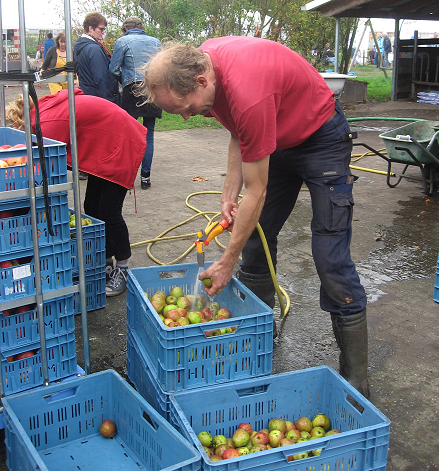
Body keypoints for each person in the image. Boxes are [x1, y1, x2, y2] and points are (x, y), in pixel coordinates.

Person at [143, 37, 370, 398]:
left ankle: (357, 376)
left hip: (320, 136)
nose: (187, 116)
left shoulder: (249, 92)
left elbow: (258, 189)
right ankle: (263, 331)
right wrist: (229, 191)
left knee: (330, 258)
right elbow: (238, 130)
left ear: (202, 80)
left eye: (187, 108)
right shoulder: (204, 64)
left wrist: (225, 261)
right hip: (275, 135)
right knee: (254, 233)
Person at [5, 89, 146, 297]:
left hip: (120, 142)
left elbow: (50, 164)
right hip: (102, 144)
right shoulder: (41, 113)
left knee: (109, 212)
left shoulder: (44, 125)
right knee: (91, 207)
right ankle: (105, 261)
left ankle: (123, 269)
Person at [109, 17, 162, 190]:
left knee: (128, 134)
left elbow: (113, 69)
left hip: (132, 88)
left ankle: (125, 175)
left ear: (125, 28)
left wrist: (124, 81)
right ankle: (145, 177)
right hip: (153, 88)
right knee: (149, 134)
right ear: (141, 27)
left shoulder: (122, 41)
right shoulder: (156, 42)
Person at [74, 12, 120, 105]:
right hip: (99, 99)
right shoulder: (94, 49)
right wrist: (108, 102)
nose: (103, 32)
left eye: (104, 29)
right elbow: (101, 77)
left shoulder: (80, 46)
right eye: (101, 29)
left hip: (87, 97)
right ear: (90, 28)